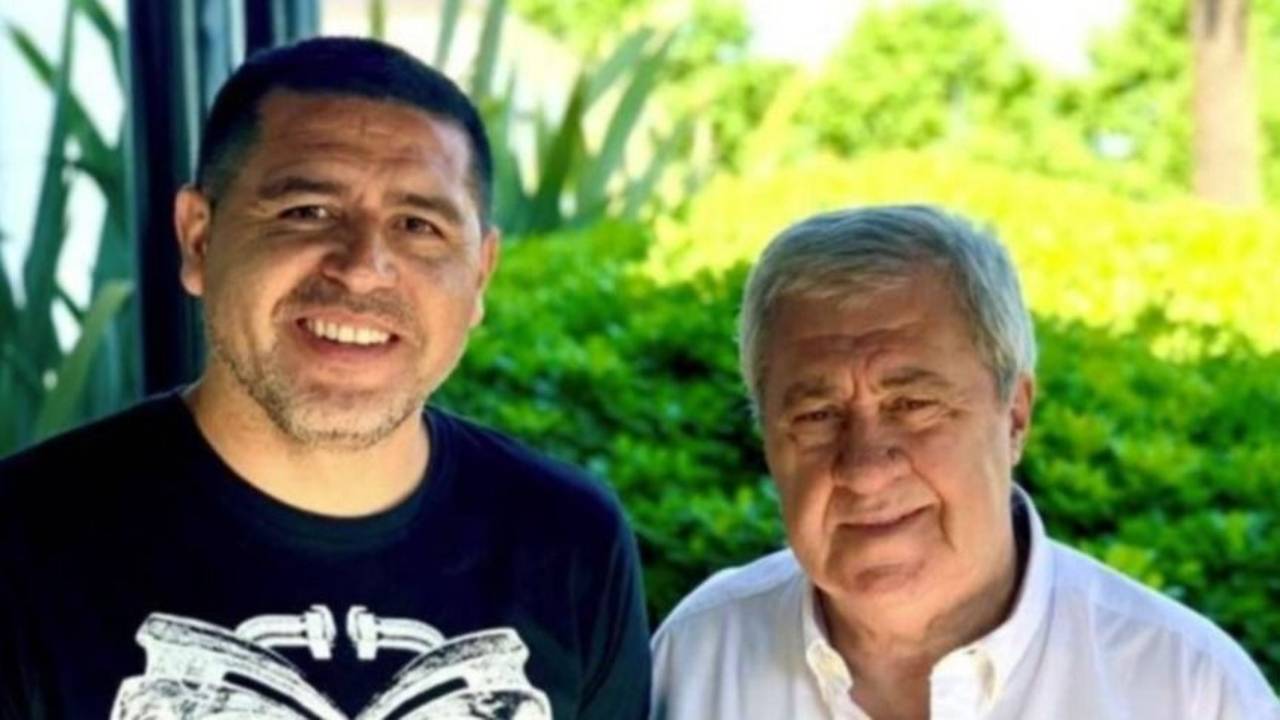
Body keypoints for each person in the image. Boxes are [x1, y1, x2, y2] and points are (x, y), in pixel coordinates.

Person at [0, 37, 649, 719]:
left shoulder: (569, 541)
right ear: (198, 238)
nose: (363, 268)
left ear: (480, 273)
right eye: (307, 211)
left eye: (418, 225)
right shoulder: (22, 545)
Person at [650, 205, 1279, 720]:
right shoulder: (698, 659)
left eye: (913, 405)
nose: (865, 468)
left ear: (1015, 417)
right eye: (817, 415)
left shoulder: (1188, 690)